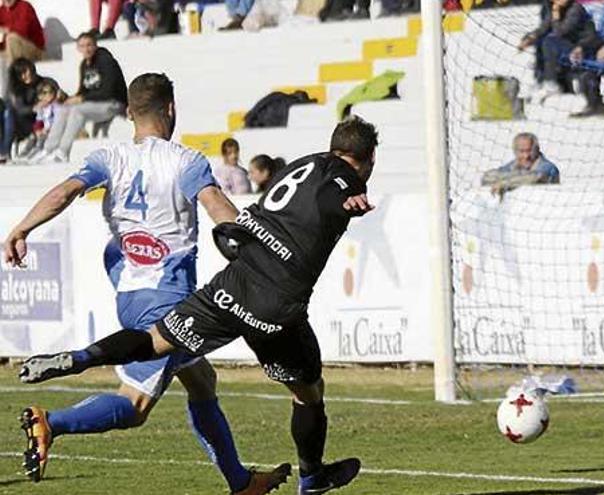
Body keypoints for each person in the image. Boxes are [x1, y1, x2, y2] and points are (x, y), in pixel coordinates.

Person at [18, 115, 380, 495]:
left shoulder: (303, 163)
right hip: (263, 300)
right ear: (369, 156)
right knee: (304, 393)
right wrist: (347, 203)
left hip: (225, 285)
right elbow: (322, 195)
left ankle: (80, 359)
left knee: (185, 367)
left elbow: (66, 191)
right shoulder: (189, 160)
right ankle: (311, 476)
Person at [5, 73, 290, 494]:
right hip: (169, 302)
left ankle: (240, 482)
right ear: (171, 110)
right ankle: (51, 421)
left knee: (201, 381)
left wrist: (20, 229)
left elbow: (63, 193)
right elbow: (218, 207)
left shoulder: (109, 157)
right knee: (134, 405)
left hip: (131, 295)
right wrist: (255, 247)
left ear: (127, 113)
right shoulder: (186, 161)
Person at [31, 32, 127, 164]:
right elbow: (83, 91)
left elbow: (108, 91)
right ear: (78, 48)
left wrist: (82, 99)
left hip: (113, 103)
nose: (86, 49)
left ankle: (63, 152)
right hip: (95, 105)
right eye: (82, 46)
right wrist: (68, 99)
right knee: (64, 108)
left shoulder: (106, 61)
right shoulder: (84, 65)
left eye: (89, 45)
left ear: (95, 45)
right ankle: (49, 149)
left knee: (77, 111)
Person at [481, 132, 560, 197]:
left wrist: (505, 183)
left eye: (529, 151)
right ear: (515, 151)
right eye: (521, 151)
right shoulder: (512, 166)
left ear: (537, 150)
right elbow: (487, 177)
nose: (526, 156)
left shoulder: (548, 167)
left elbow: (535, 177)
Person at [2, 57, 43, 162]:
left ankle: (4, 151)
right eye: (21, 73)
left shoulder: (43, 83)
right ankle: (4, 151)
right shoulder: (15, 88)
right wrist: (33, 108)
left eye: (27, 71)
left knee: (8, 112)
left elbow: (56, 94)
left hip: (34, 123)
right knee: (7, 111)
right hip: (16, 122)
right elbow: (19, 109)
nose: (26, 75)